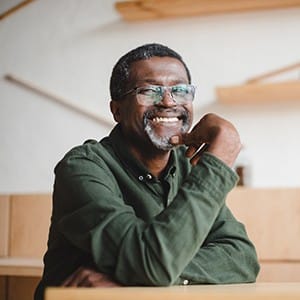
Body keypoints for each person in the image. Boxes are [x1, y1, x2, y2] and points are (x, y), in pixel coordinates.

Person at [34, 43, 259, 299]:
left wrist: (141, 277)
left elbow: (242, 258)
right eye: (149, 91)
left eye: (180, 90)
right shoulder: (82, 167)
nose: (168, 102)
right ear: (116, 110)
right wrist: (219, 159)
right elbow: (151, 264)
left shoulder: (187, 165)